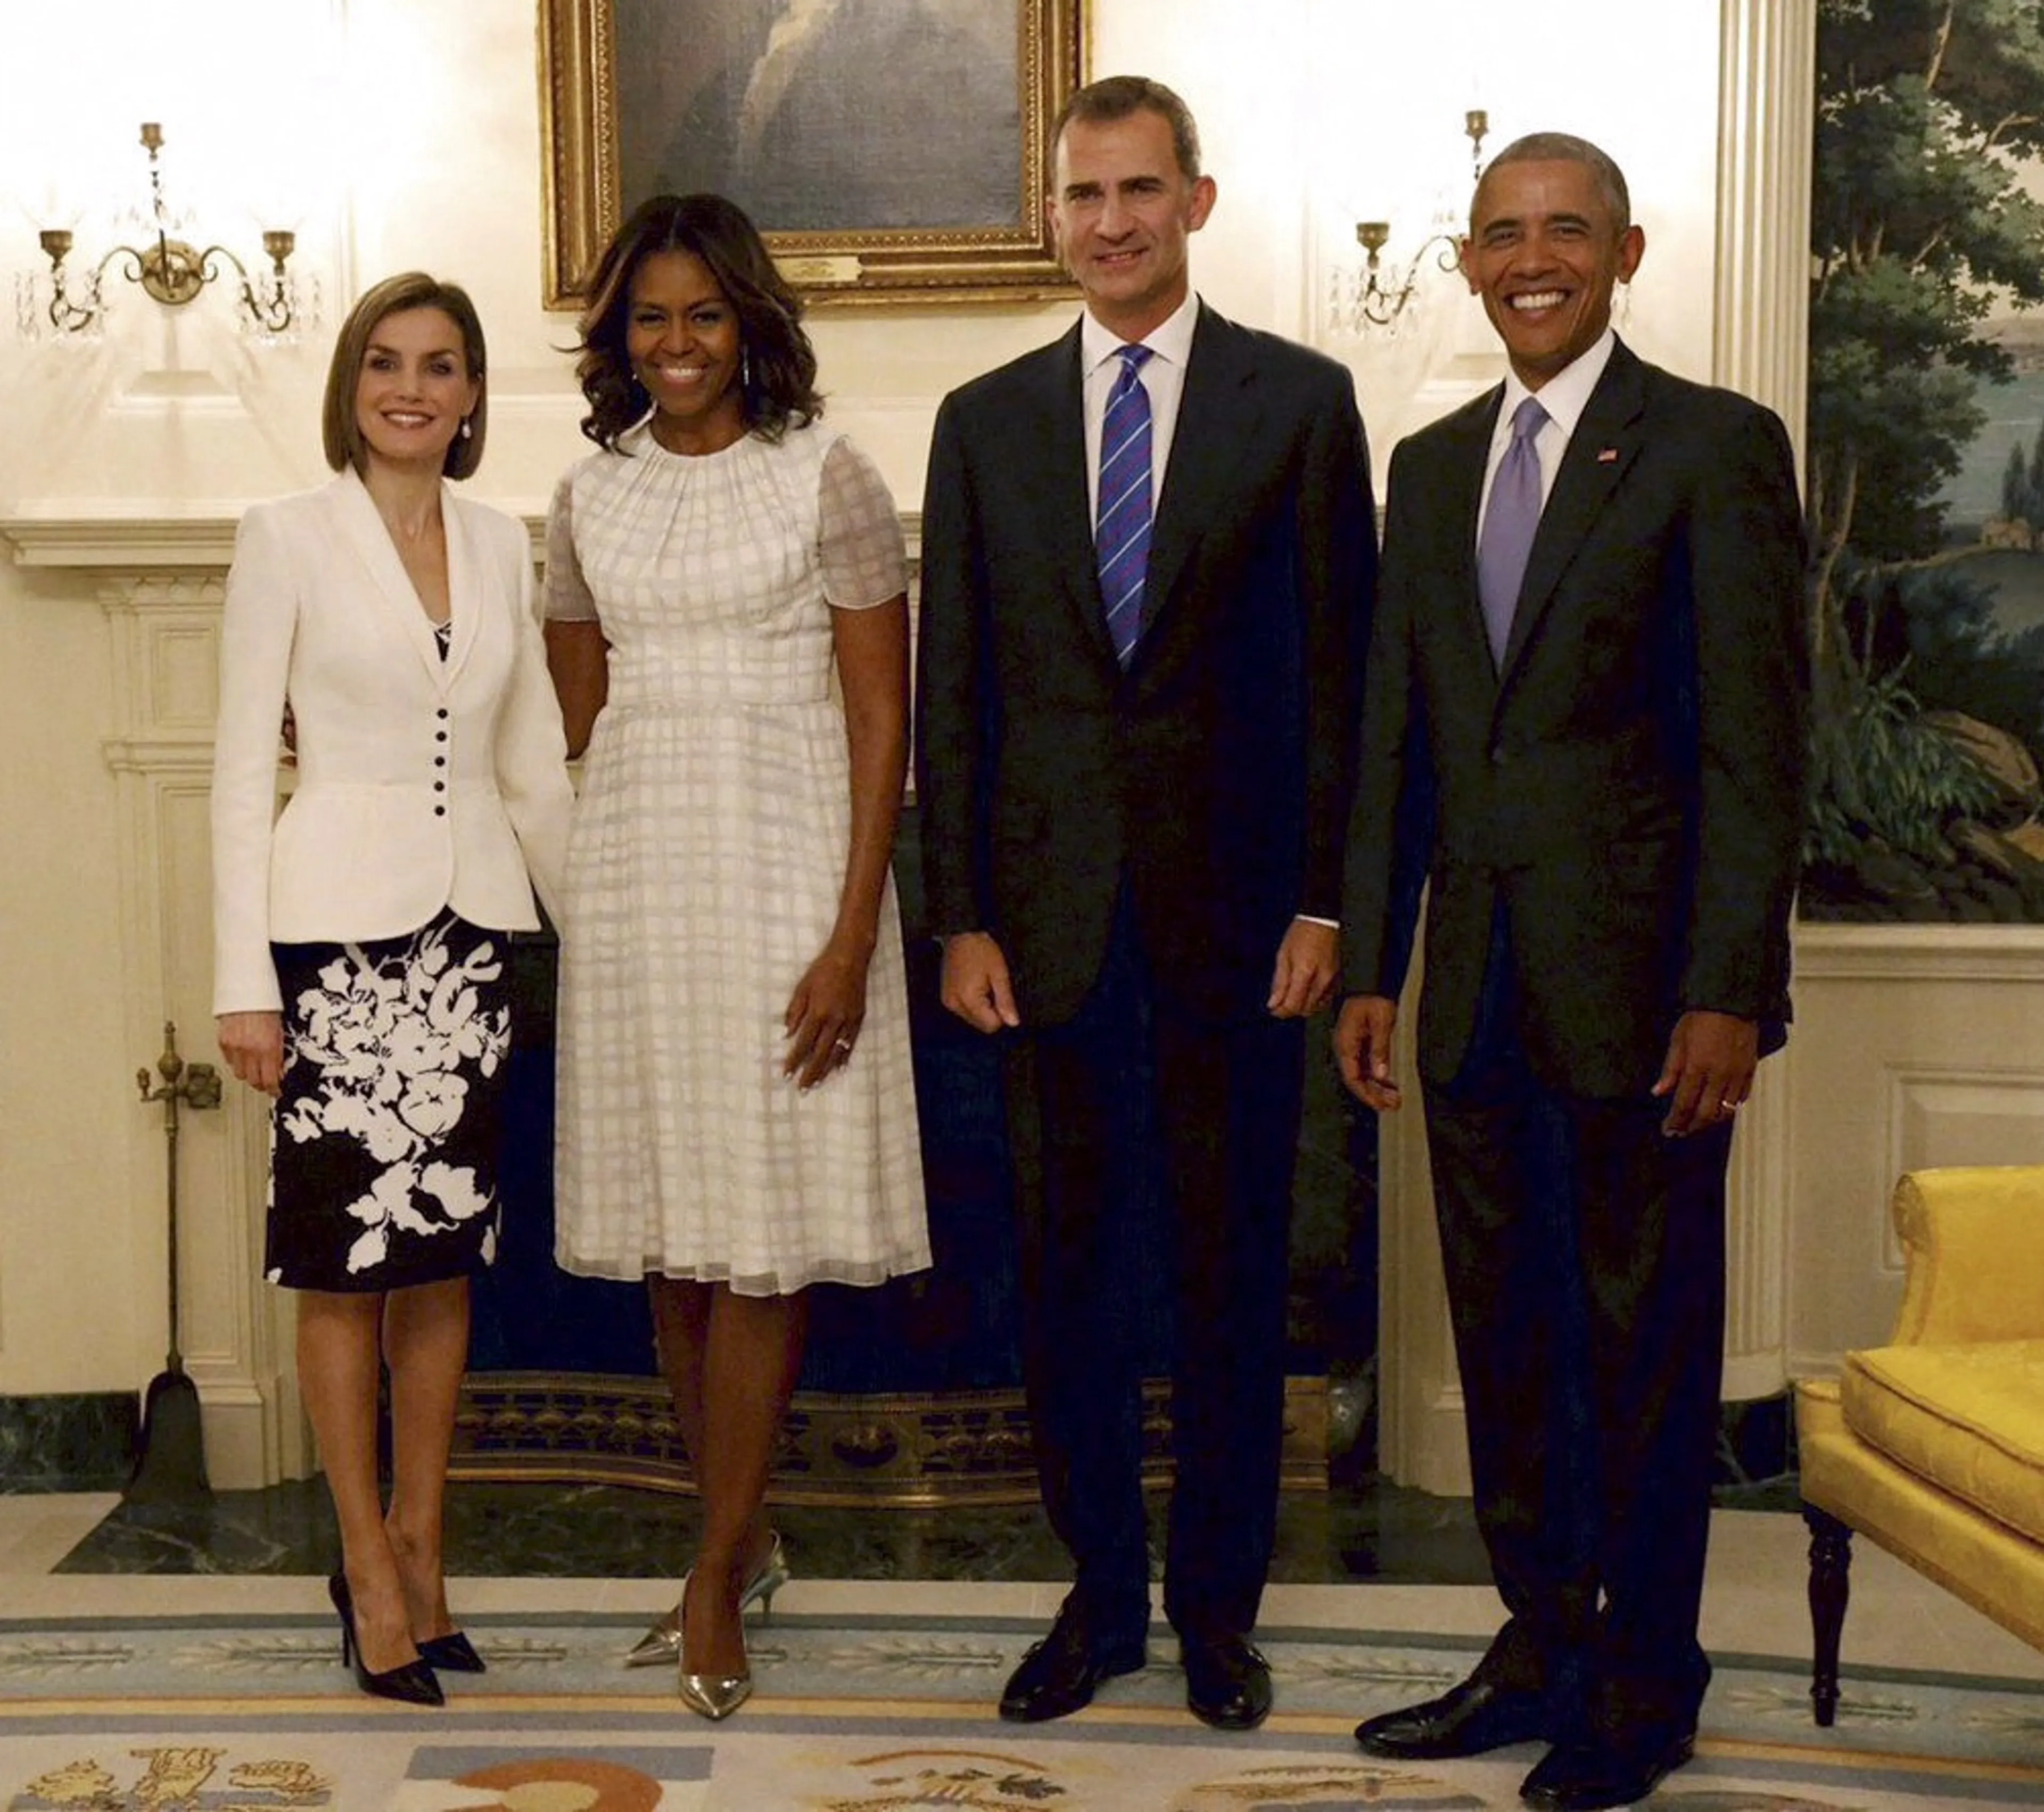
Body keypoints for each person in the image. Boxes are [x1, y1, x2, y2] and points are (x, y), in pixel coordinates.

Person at [1334, 133, 1808, 1812]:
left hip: (1648, 1006)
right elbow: (1399, 726)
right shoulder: (1432, 459)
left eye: (1565, 232)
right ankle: (1537, 1644)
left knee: (1648, 1353)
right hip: (1470, 993)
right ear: (1467, 259)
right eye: (1503, 235)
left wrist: (1729, 988)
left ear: (1623, 250)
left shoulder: (1712, 448)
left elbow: (1759, 745)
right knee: (1513, 1344)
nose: (1531, 259)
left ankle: (1648, 1680)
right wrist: (1376, 959)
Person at [915, 76, 1374, 1732]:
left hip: (1242, 936)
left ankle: (1220, 1611)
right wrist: (959, 912)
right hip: (1040, 939)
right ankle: (1102, 1594)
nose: (1107, 222)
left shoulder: (1302, 404)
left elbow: (1345, 679)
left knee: (1233, 1280)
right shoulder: (982, 420)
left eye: (1137, 190)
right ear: (1051, 215)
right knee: (1068, 1278)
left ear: (1198, 198)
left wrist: (1332, 906)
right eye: (1080, 195)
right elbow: (954, 686)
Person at [545, 192, 929, 1722]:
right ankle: (740, 1530)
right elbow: (580, 708)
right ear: (619, 334)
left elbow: (883, 724)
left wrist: (849, 934)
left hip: (787, 867)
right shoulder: (590, 490)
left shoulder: (822, 474)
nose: (678, 342)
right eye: (650, 316)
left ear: (753, 322)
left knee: (758, 1216)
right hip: (642, 871)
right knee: (670, 1218)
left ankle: (711, 1564)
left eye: (706, 314)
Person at [211, 274, 572, 1706]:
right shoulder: (283, 537)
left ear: (475, 393)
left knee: (440, 1261)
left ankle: (428, 1546)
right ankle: (362, 1557)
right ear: (352, 387)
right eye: (384, 363)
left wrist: (586, 933)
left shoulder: (501, 543)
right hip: (333, 947)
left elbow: (531, 761)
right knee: (340, 1266)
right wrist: (244, 982)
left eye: (439, 365)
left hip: (468, 938)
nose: (410, 387)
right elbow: (244, 768)